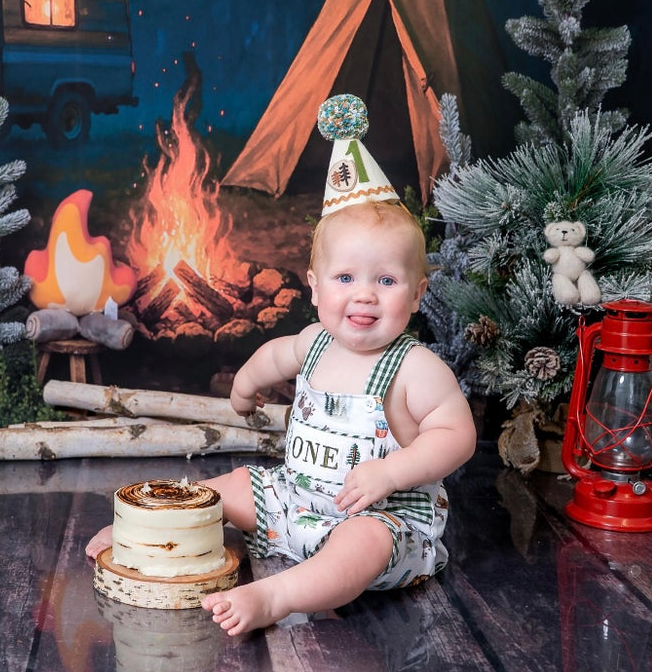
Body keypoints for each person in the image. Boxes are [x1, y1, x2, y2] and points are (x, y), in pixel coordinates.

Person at [86, 95, 476, 636]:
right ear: (315, 288)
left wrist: (390, 472)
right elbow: (275, 354)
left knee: (358, 549)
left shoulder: (415, 366)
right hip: (297, 499)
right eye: (345, 279)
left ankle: (278, 595)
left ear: (417, 294)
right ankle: (143, 532)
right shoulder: (314, 341)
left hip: (384, 520)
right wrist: (245, 386)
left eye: (385, 281)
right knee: (235, 485)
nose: (363, 297)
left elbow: (456, 435)